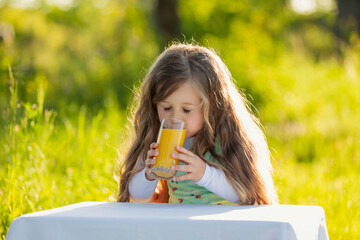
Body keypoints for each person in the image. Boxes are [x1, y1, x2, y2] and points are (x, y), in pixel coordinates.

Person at [117, 42, 278, 205]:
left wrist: (204, 174)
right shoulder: (157, 143)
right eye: (166, 107)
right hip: (179, 226)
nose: (175, 117)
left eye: (186, 110)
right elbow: (138, 197)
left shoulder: (225, 141)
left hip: (222, 227)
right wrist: (148, 174)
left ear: (213, 107)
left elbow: (245, 194)